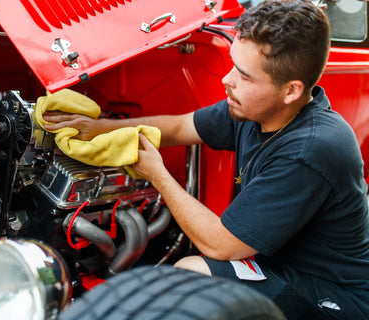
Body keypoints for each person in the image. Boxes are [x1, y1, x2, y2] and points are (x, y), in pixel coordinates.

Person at [43, 0, 369, 318]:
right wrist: (98, 127)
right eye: (232, 64)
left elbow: (221, 246)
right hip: (274, 263)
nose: (227, 80)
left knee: (190, 277)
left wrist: (158, 175)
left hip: (329, 293)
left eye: (244, 75)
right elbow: (180, 126)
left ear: (291, 91)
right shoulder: (255, 110)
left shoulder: (310, 150)